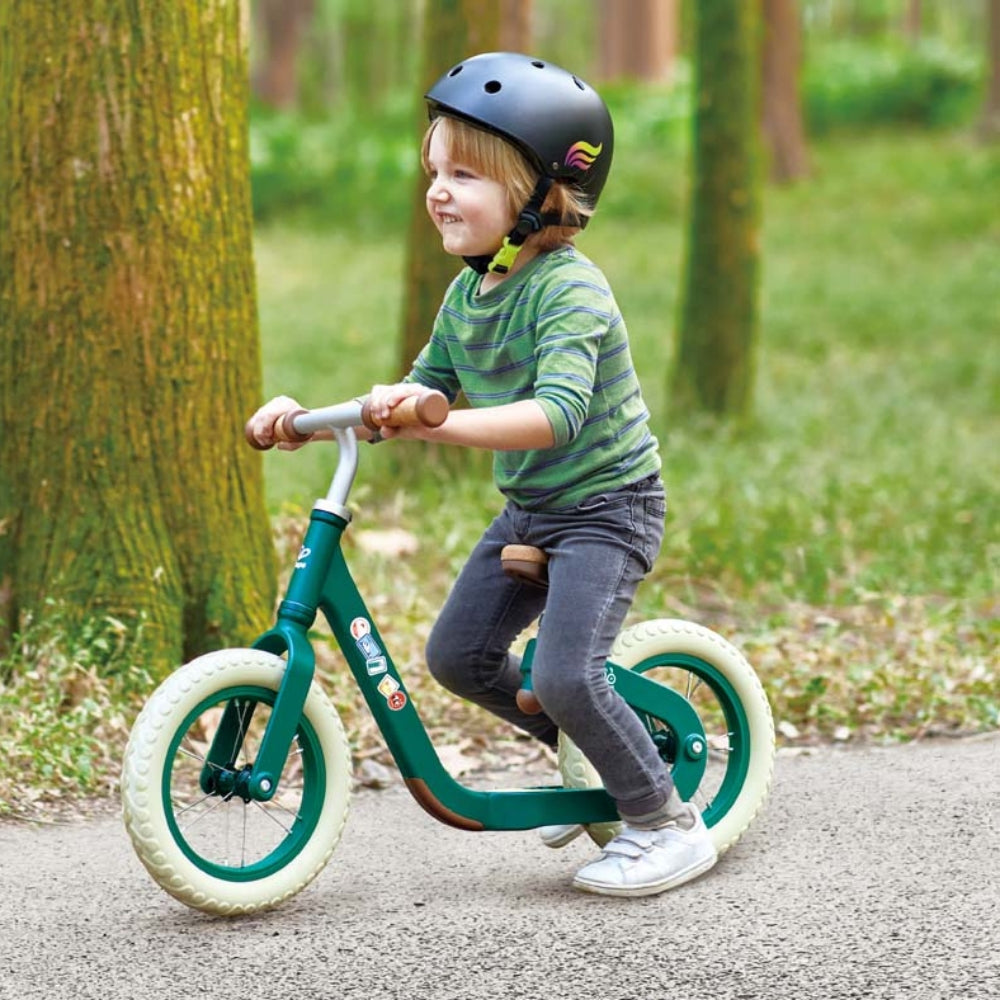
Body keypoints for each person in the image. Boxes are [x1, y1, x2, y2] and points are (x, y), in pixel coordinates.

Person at [248, 52, 717, 897]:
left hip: (608, 508)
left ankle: (663, 820)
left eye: (465, 173)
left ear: (541, 194)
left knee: (568, 674)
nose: (438, 189)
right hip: (534, 505)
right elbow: (419, 390)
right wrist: (307, 419)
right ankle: (597, 760)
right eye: (434, 170)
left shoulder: (571, 291)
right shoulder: (469, 295)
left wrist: (442, 423)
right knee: (459, 656)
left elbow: (557, 415)